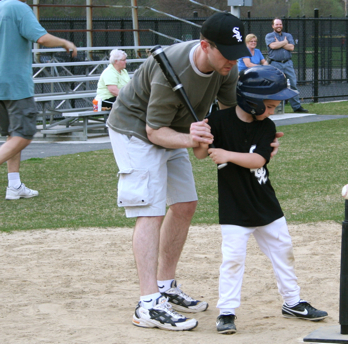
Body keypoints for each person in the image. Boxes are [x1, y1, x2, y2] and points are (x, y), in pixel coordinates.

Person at [107, 12, 285, 331]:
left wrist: (260, 139)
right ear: (205, 45)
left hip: (176, 129)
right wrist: (193, 139)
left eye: (237, 54)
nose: (233, 61)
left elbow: (234, 117)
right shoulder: (172, 68)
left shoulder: (225, 68)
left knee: (185, 204)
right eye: (227, 54)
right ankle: (148, 304)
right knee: (150, 210)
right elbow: (154, 131)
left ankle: (165, 286)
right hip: (136, 128)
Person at [193, 66, 328, 334]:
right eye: (269, 105)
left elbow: (259, 160)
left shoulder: (267, 126)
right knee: (232, 260)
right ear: (251, 101)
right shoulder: (218, 120)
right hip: (234, 208)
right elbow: (200, 154)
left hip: (265, 203)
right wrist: (200, 138)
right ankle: (227, 312)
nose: (273, 111)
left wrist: (227, 154)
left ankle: (293, 302)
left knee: (283, 253)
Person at [0, 0, 77, 200]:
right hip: (14, 85)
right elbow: (41, 39)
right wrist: (64, 42)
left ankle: (14, 185)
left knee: (12, 135)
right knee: (24, 135)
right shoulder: (17, 8)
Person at [265, 18, 309, 114]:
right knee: (276, 85)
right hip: (275, 63)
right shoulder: (269, 36)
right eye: (276, 24)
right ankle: (274, 107)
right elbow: (273, 46)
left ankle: (297, 107)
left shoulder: (287, 35)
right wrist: (285, 43)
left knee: (293, 84)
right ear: (273, 26)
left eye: (280, 24)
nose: (279, 26)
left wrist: (280, 43)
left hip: (288, 63)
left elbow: (291, 47)